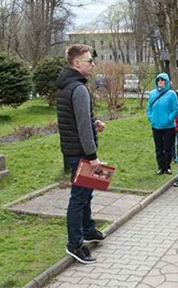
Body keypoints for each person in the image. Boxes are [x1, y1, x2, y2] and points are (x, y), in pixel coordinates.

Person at [56, 44, 106, 264]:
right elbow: (82, 127)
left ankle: (88, 229)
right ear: (77, 63)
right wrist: (93, 156)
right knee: (78, 199)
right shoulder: (79, 89)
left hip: (72, 150)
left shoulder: (65, 85)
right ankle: (75, 244)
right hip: (81, 153)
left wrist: (95, 122)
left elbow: (77, 119)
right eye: (89, 61)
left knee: (86, 194)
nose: (92, 64)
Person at [146, 73, 178, 175]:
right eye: (159, 80)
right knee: (159, 147)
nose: (160, 82)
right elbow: (149, 108)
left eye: (163, 80)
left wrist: (169, 119)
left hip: (168, 126)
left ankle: (167, 166)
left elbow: (176, 109)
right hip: (156, 125)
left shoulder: (171, 94)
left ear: (166, 82)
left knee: (168, 147)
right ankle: (160, 166)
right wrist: (151, 118)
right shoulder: (152, 94)